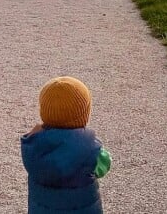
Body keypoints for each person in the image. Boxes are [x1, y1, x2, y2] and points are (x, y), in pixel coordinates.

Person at [21, 76, 112, 213]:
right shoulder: (92, 149)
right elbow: (105, 166)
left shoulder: (32, 146)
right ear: (84, 114)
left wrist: (33, 134)